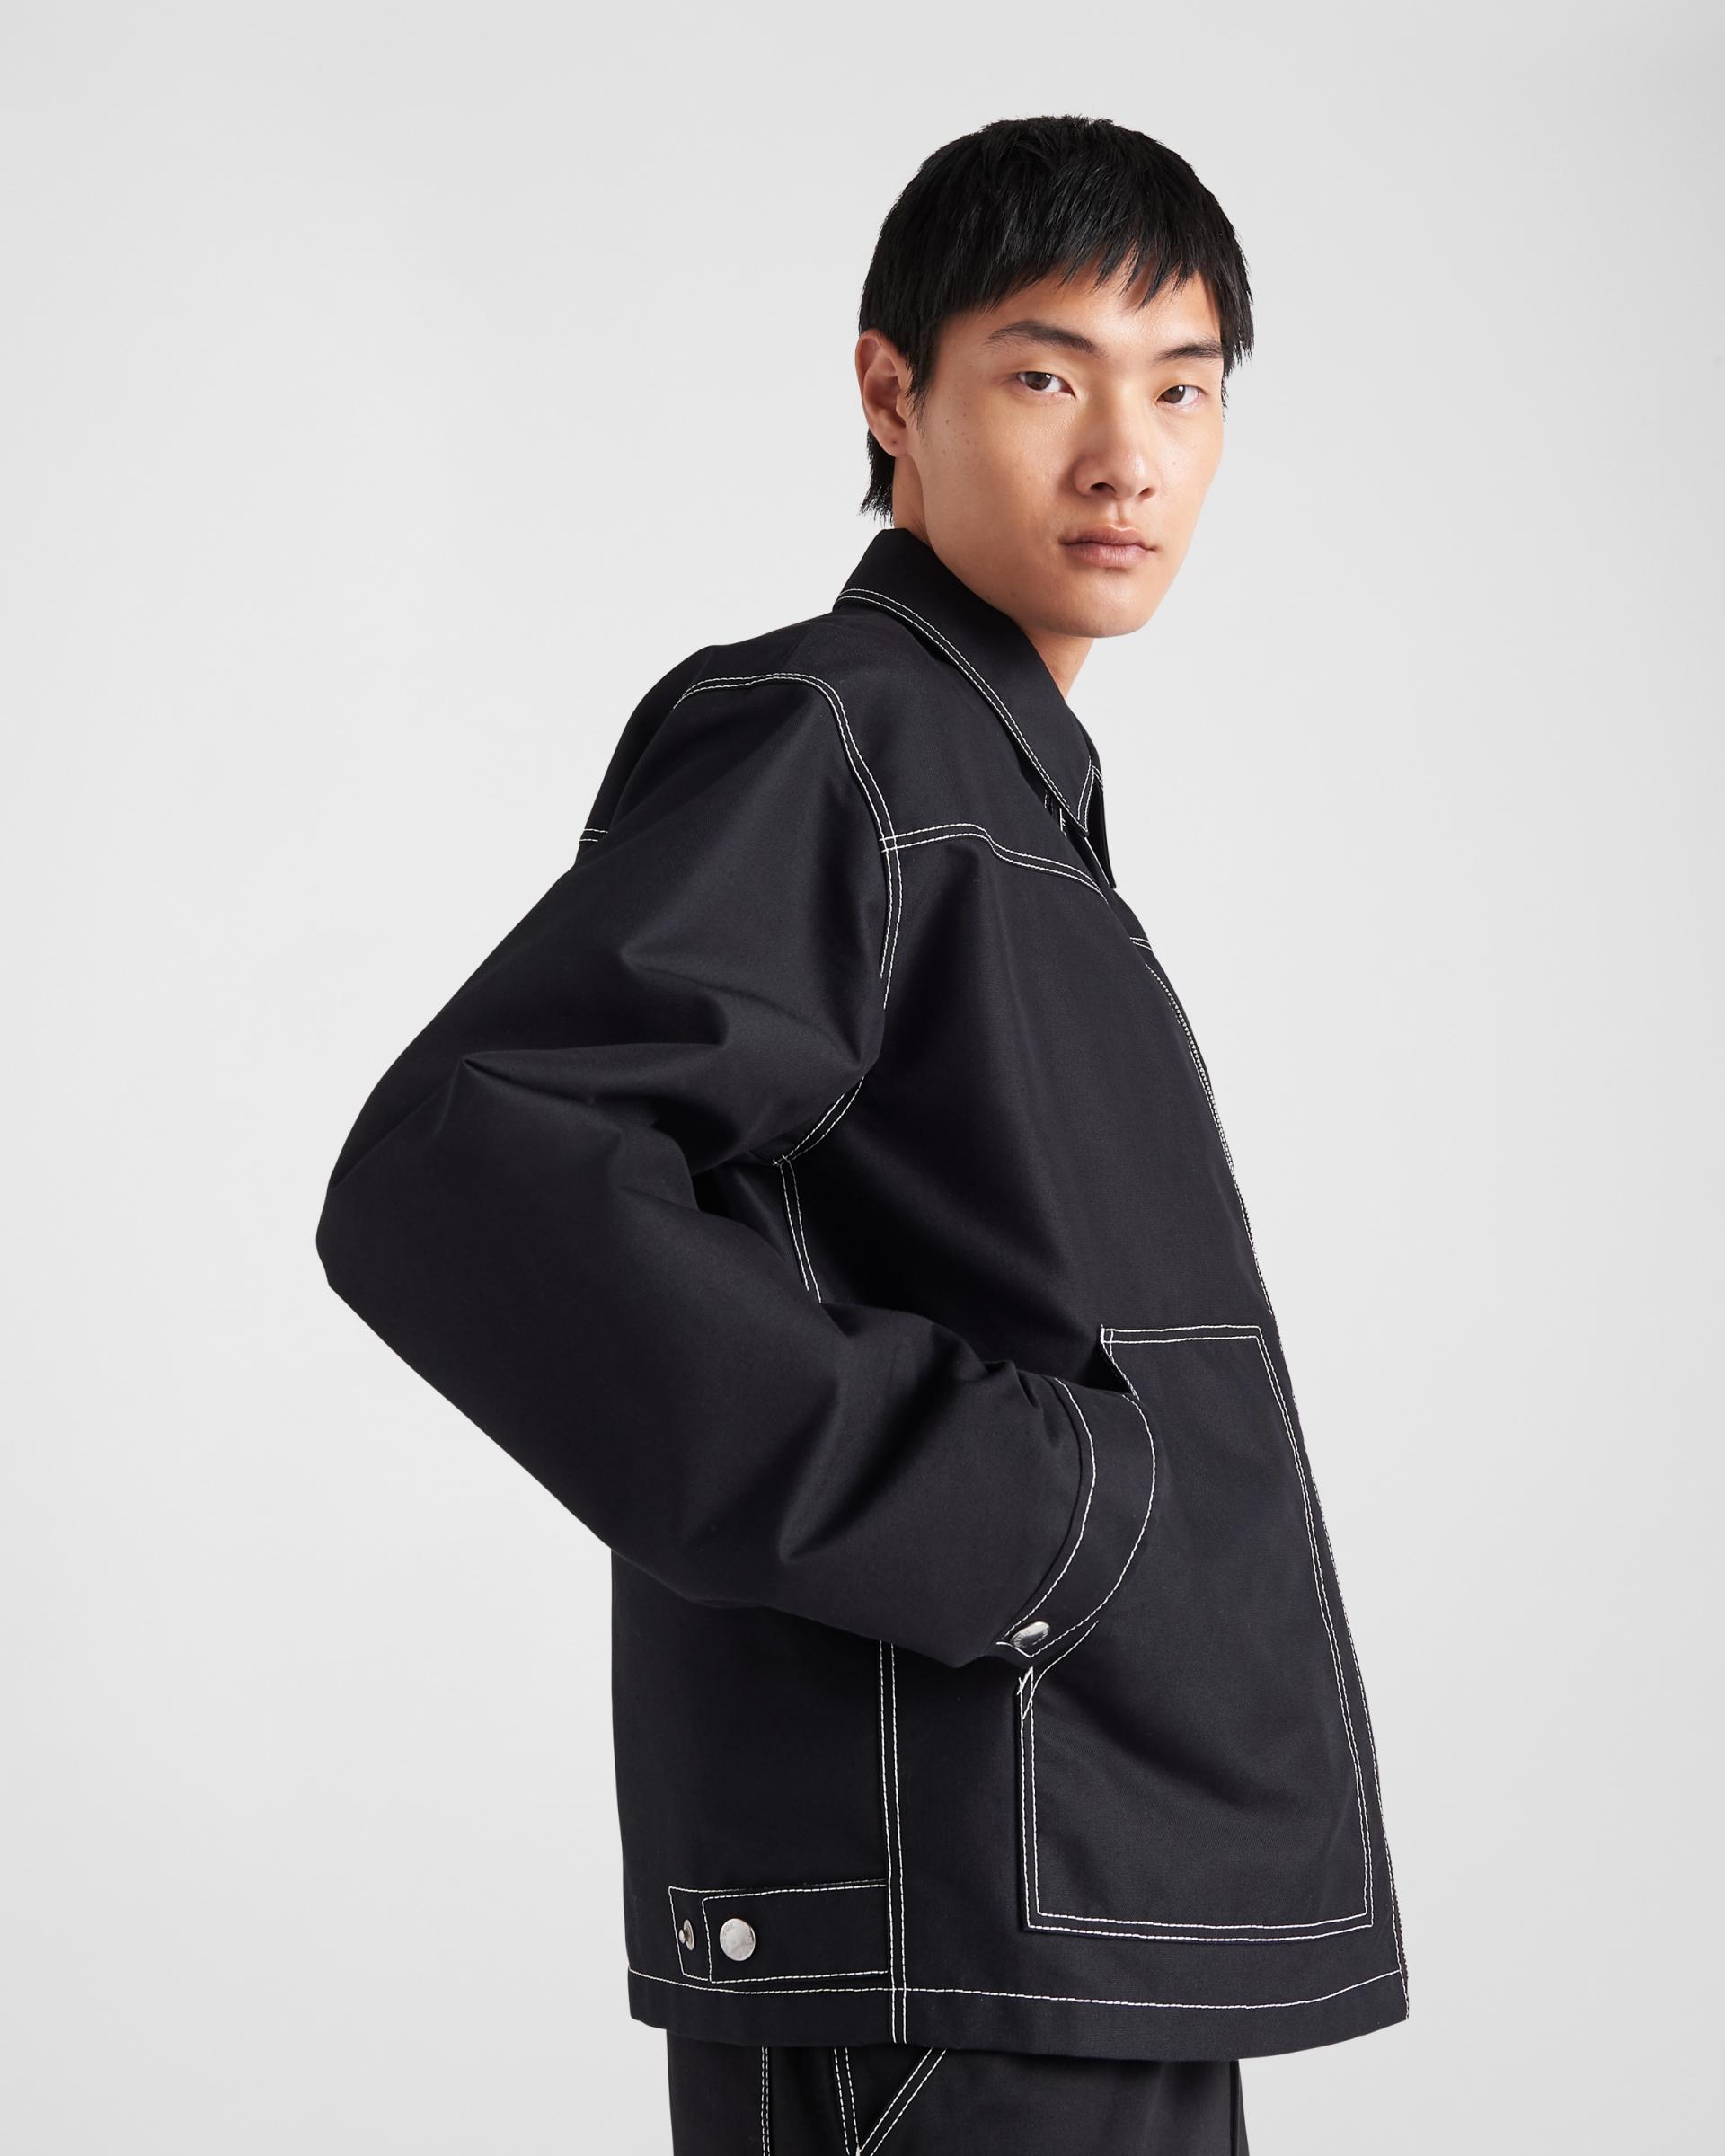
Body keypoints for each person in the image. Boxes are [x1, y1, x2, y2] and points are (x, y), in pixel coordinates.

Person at [315, 113, 1408, 2153]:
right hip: (953, 1933)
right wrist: (1022, 1519)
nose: (1128, 457)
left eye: (1183, 389)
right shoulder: (846, 741)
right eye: (1049, 376)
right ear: (892, 393)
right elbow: (468, 1172)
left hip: (1072, 1906)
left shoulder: (1002, 798)